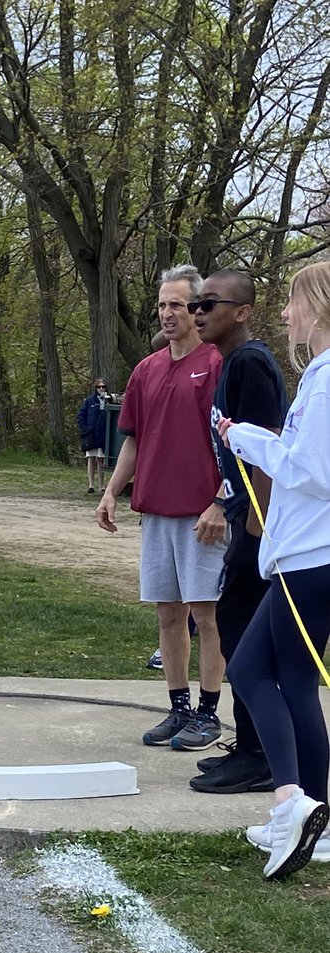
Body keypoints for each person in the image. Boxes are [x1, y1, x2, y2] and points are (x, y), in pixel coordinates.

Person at [216, 262, 330, 880]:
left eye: (292, 303)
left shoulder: (329, 378)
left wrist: (246, 439)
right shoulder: (318, 375)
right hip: (309, 556)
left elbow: (313, 472)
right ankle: (317, 815)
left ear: (318, 306)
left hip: (311, 558)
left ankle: (291, 801)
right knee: (292, 679)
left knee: (250, 668)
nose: (285, 315)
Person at [97, 266, 225, 752]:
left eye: (177, 305)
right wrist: (112, 491)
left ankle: (210, 713)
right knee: (168, 615)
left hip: (203, 517)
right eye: (162, 305)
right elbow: (132, 439)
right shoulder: (146, 370)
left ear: (197, 310)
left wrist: (221, 501)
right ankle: (178, 708)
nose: (168, 314)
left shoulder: (215, 363)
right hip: (156, 512)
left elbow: (235, 445)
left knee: (207, 613)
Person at [187, 269, 287, 795]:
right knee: (235, 624)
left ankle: (259, 755)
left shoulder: (250, 362)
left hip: (260, 521)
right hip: (243, 512)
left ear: (242, 311)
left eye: (210, 304)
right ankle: (252, 746)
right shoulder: (230, 364)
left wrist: (258, 529)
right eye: (195, 304)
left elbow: (268, 448)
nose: (198, 312)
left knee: (242, 631)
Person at [77, 379, 110, 493]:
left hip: (103, 434)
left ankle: (101, 485)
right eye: (99, 387)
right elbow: (81, 415)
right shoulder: (89, 401)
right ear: (95, 388)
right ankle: (91, 485)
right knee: (91, 459)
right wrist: (85, 428)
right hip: (91, 435)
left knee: (101, 460)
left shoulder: (109, 400)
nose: (101, 389)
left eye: (103, 387)